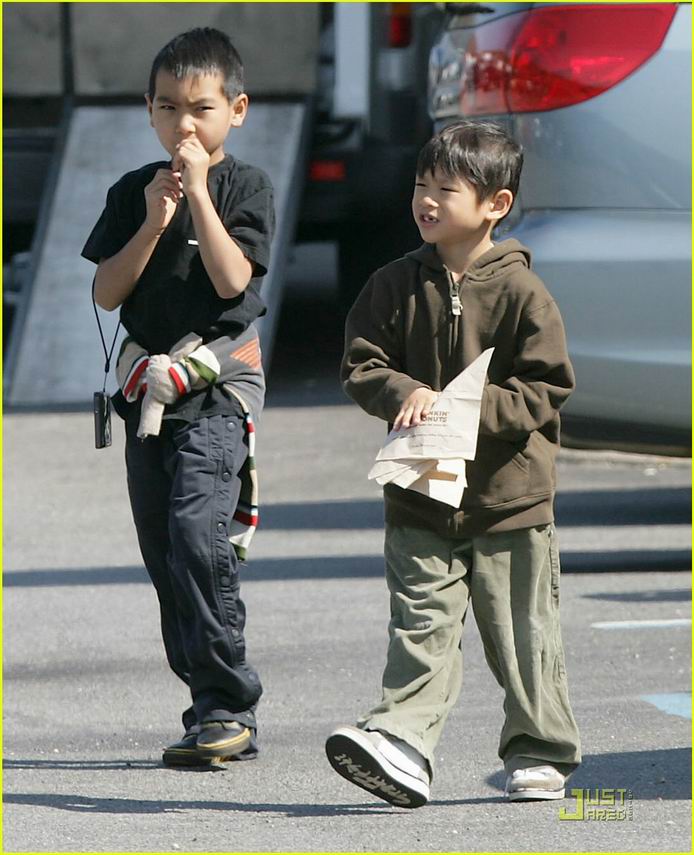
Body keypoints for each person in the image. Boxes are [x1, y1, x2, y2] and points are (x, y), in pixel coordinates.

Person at [326, 121, 581, 807]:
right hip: (419, 495)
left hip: (509, 500)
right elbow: (361, 364)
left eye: (445, 188)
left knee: (523, 635)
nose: (426, 200)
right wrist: (403, 392)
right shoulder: (392, 284)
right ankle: (402, 743)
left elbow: (547, 386)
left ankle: (540, 751)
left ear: (496, 204)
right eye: (420, 185)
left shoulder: (524, 292)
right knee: (420, 628)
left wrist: (465, 410)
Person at [82, 28, 274, 768]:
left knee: (199, 533)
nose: (183, 124)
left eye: (200, 108)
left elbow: (233, 281)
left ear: (236, 110)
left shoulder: (245, 187)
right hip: (145, 396)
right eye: (167, 108)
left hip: (216, 389)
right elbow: (107, 292)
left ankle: (229, 703)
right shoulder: (133, 190)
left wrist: (196, 194)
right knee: (164, 549)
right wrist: (153, 221)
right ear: (149, 110)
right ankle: (206, 708)